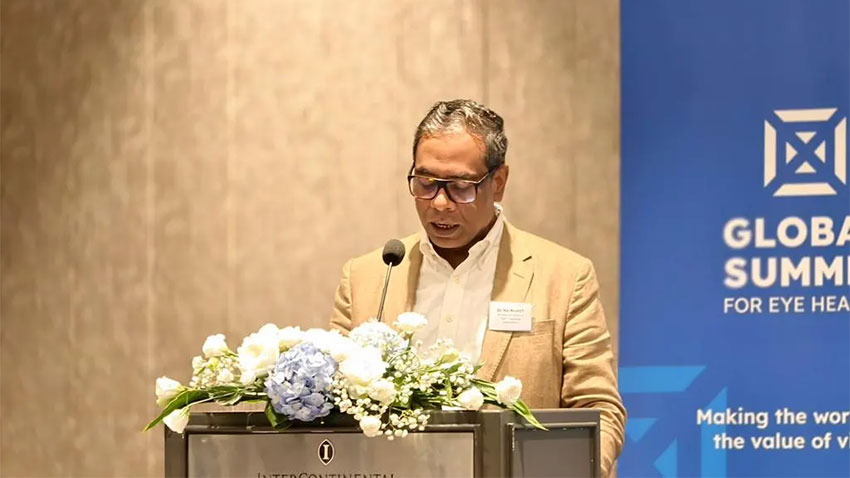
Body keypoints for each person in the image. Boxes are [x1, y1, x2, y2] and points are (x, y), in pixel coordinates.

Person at [330, 99, 626, 476]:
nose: (440, 203)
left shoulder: (565, 277)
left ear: (498, 183)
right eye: (426, 183)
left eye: (460, 187)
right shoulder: (367, 277)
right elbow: (334, 406)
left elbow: (597, 410)